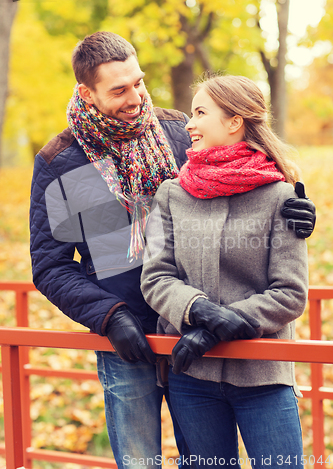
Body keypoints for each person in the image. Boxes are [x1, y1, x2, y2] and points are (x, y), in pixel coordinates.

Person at [30, 32, 314, 469]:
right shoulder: (62, 162)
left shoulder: (178, 130)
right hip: (129, 339)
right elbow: (51, 267)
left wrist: (296, 208)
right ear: (87, 92)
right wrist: (110, 316)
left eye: (138, 82)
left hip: (200, 336)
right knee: (141, 461)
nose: (135, 97)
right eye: (119, 90)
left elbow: (241, 174)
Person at [141, 74, 309, 469]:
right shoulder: (172, 193)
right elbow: (156, 276)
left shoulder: (281, 195)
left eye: (200, 112)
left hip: (262, 375)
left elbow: (289, 292)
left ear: (234, 122)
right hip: (191, 377)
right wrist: (199, 311)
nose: (189, 124)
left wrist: (219, 326)